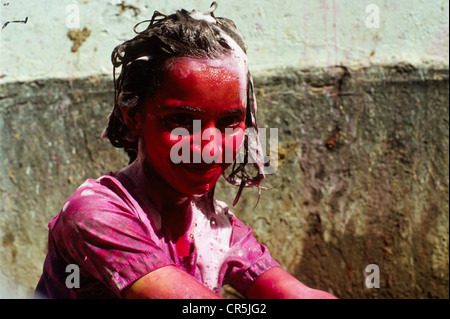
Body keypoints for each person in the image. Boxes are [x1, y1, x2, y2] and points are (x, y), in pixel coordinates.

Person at [35, 3, 336, 299]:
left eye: (230, 122)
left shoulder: (216, 226)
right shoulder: (95, 215)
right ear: (134, 117)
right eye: (181, 121)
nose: (209, 147)